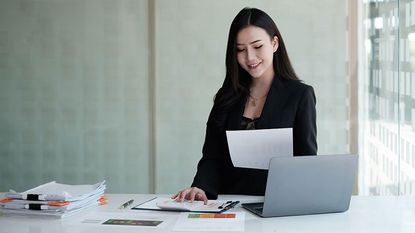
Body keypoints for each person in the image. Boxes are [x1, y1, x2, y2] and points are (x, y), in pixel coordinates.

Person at [173, 7, 317, 204]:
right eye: (240, 49)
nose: (249, 57)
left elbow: (306, 161)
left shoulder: (300, 95)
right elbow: (212, 157)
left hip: (279, 204)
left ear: (274, 44)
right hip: (229, 204)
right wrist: (200, 188)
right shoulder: (227, 97)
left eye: (258, 46)